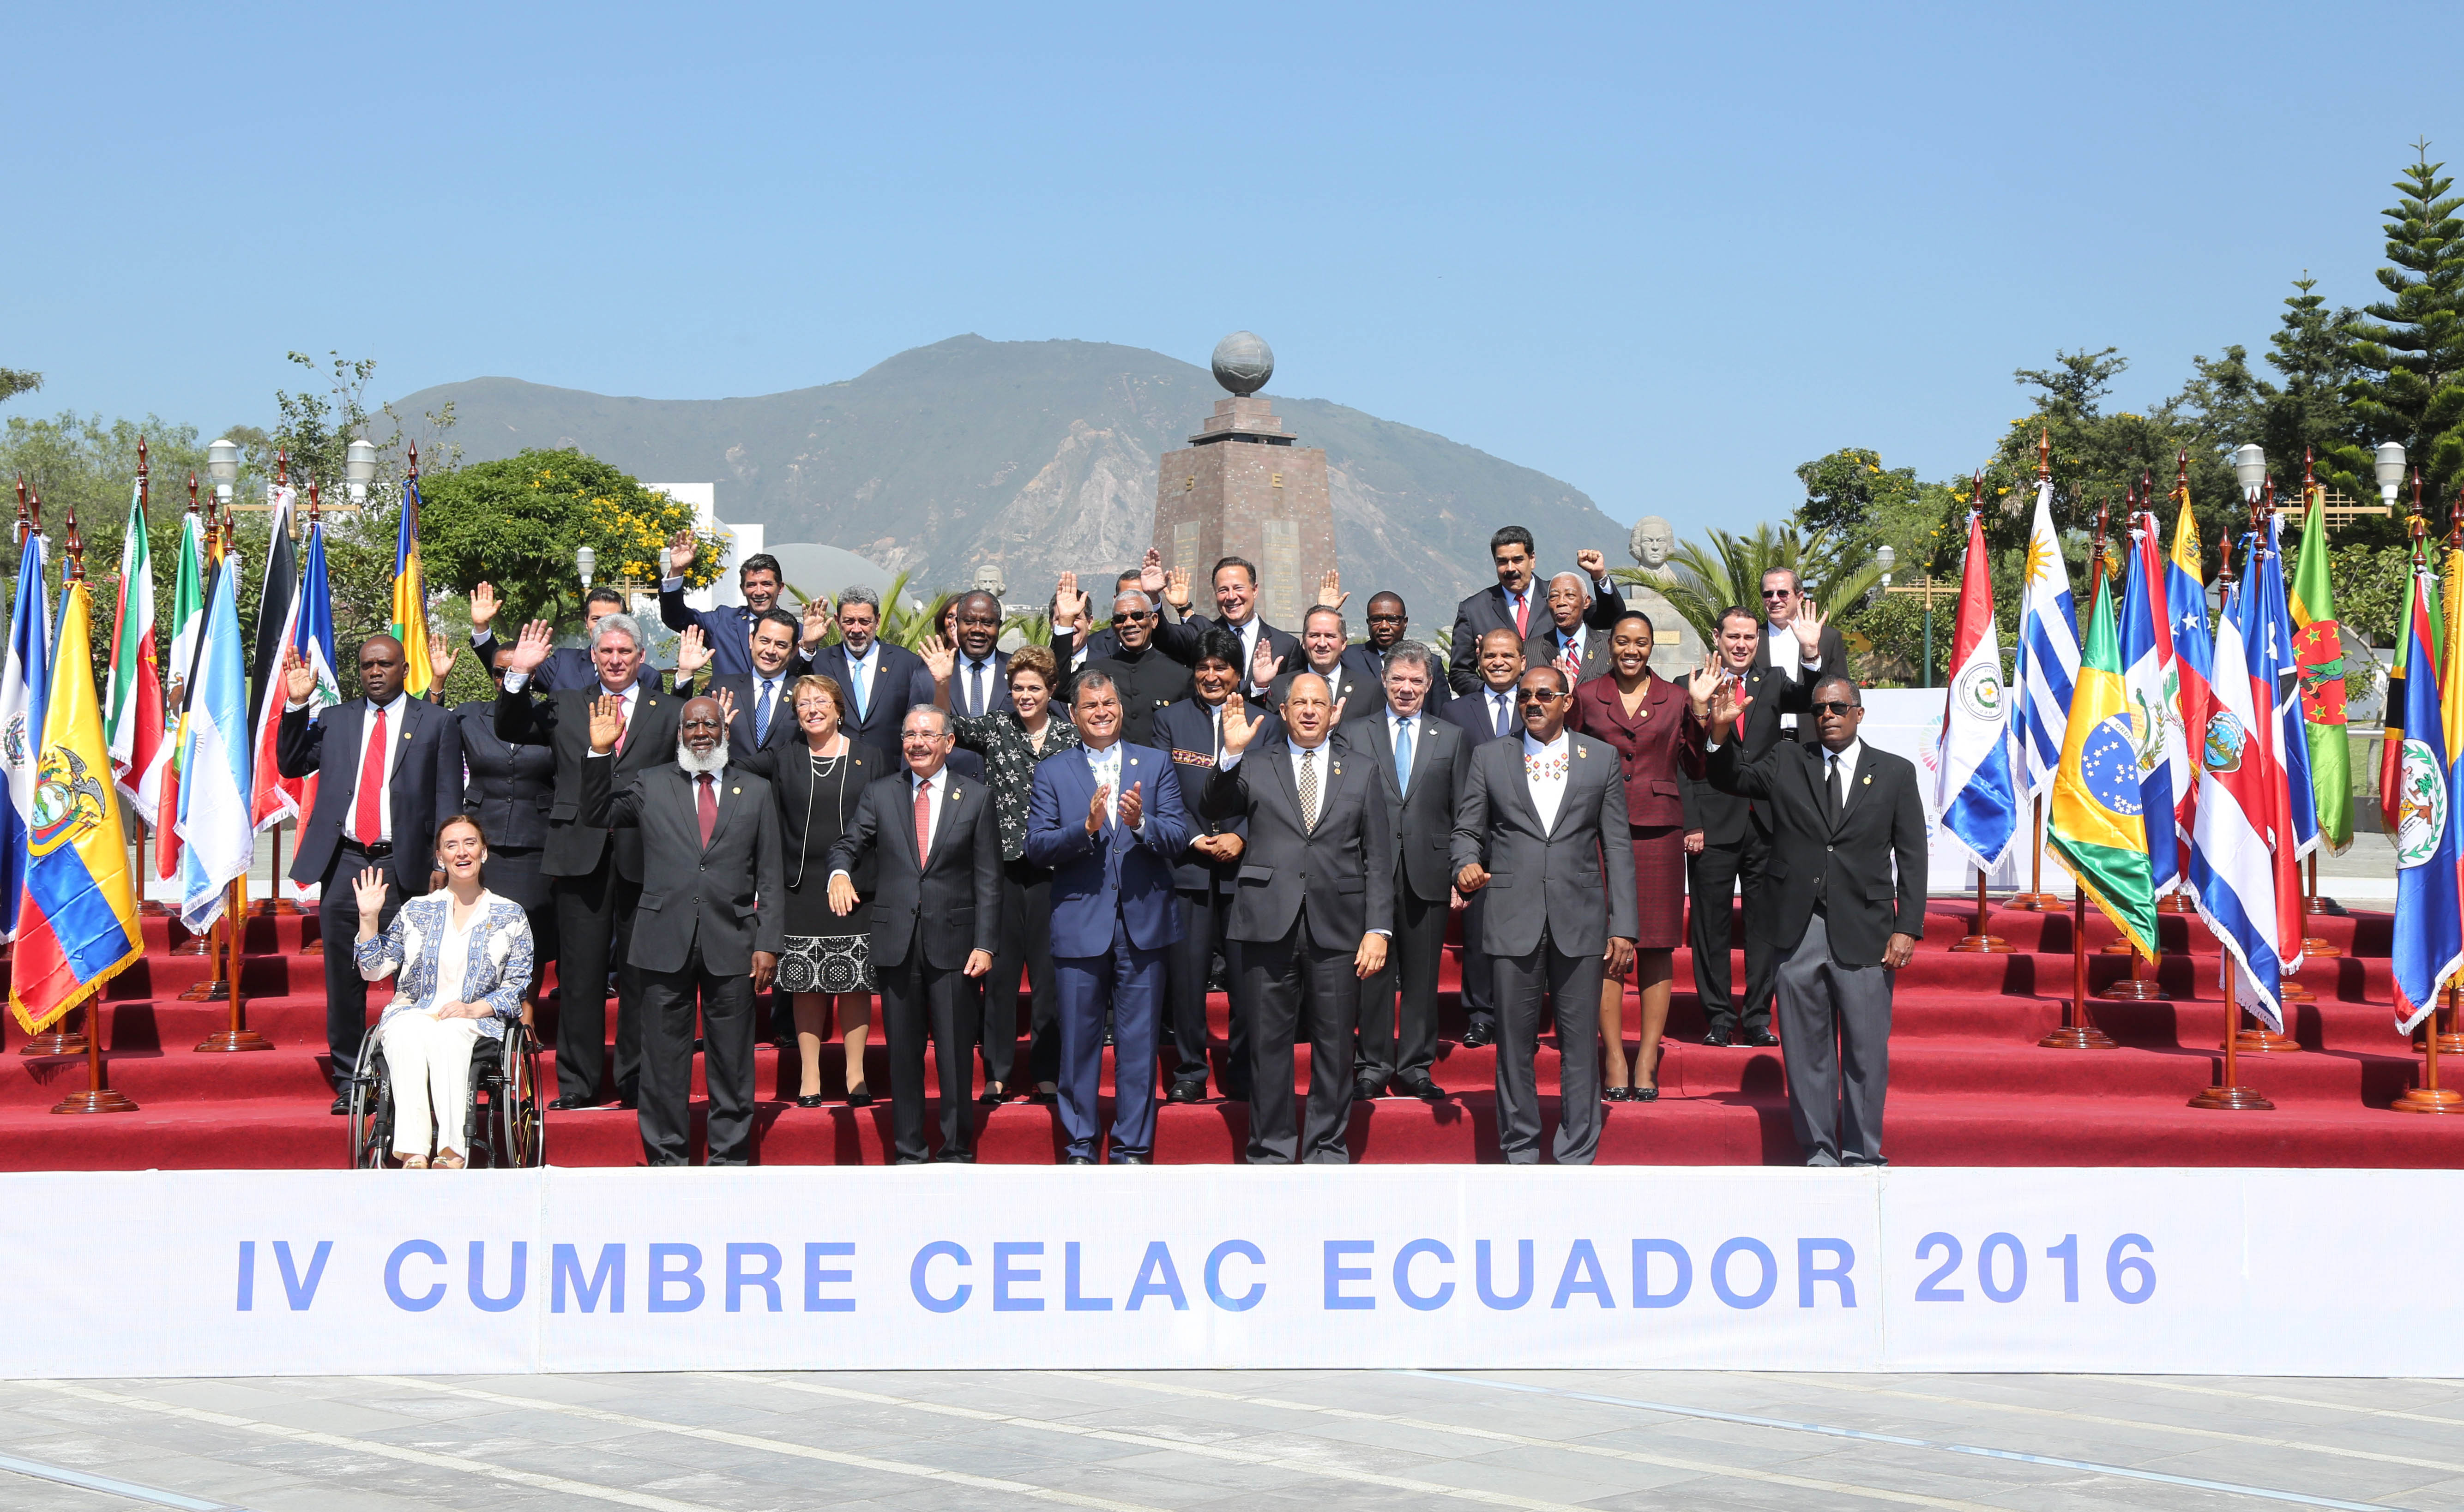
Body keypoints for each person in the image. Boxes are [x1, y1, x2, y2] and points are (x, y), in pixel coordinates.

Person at [1701, 674, 1925, 1167]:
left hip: (1866, 930)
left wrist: (1907, 927)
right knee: (1806, 1054)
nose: (1826, 715)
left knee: (1866, 1053)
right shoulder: (1787, 760)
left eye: (1838, 708)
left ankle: (1863, 1153)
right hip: (1797, 929)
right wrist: (1718, 736)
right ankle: (1820, 1152)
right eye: (1820, 708)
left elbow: (1912, 855)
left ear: (1859, 714)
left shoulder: (1894, 772)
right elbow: (1731, 778)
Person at [580, 693, 783, 1166]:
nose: (700, 734)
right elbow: (596, 815)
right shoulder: (650, 784)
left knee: (732, 1060)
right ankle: (667, 1159)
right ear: (679, 735)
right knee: (663, 1061)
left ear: (725, 733)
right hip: (661, 942)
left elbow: (770, 874)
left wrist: (769, 942)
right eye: (691, 726)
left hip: (733, 941)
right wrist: (598, 755)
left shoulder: (754, 790)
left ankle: (730, 1158)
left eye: (710, 725)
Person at [495, 613, 686, 1110]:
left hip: (647, 855)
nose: (616, 661)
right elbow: (510, 725)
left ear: (642, 659)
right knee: (579, 977)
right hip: (578, 852)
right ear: (594, 657)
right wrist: (519, 674)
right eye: (607, 652)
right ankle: (579, 1084)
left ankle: (635, 1081)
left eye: (626, 653)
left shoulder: (668, 711)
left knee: (640, 975)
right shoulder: (564, 704)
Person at [1451, 665, 1638, 1165]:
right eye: (1525, 696)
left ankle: (1577, 1149)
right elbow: (1467, 828)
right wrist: (1465, 861)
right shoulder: (1491, 757)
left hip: (1580, 919)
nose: (1533, 703)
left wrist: (1624, 925)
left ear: (1566, 700)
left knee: (1580, 1043)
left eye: (1544, 695)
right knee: (1514, 1044)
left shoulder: (1599, 759)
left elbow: (1617, 845)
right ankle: (1519, 1149)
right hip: (1513, 917)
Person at [1204, 676, 1391, 1164]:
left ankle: (1327, 1148)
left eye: (1319, 704)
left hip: (1340, 926)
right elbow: (1215, 806)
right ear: (1284, 712)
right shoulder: (1256, 762)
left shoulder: (1364, 770)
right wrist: (1229, 755)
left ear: (1335, 713)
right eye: (1300, 703)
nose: (1309, 711)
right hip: (1267, 922)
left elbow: (1378, 855)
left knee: (1334, 1046)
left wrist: (1378, 928)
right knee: (1268, 1046)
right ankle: (1271, 1149)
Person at [276, 636, 465, 1114]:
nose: (375, 672)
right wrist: (297, 705)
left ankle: (410, 1078)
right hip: (345, 862)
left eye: (385, 664)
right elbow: (292, 763)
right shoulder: (336, 719)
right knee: (345, 977)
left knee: (414, 974)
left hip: (406, 864)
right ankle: (350, 1081)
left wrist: (443, 863)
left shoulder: (437, 722)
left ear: (405, 668)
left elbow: (448, 797)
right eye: (367, 666)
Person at [1023, 671, 1191, 1164]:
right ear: (1073, 715)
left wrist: (1141, 824)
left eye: (1109, 703)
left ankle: (1132, 1147)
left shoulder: (1156, 763)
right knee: (1078, 1043)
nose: (1101, 711)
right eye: (1091, 705)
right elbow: (1036, 846)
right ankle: (1079, 1145)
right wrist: (1086, 828)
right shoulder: (1053, 771)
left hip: (1144, 926)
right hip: (1081, 926)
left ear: (1121, 708)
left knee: (1138, 1046)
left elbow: (1179, 836)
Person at [825, 705, 1001, 1163]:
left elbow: (988, 878)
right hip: (897, 943)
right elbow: (848, 844)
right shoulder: (881, 793)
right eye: (909, 735)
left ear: (949, 742)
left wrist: (985, 942)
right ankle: (908, 1150)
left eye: (928, 734)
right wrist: (840, 873)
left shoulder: (977, 797)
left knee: (956, 1055)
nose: (917, 743)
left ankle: (958, 1147)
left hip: (956, 945)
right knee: (903, 1056)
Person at [919, 639, 1084, 1103]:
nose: (1025, 695)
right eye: (1017, 688)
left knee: (1049, 980)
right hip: (1004, 870)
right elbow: (947, 727)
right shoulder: (997, 729)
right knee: (1002, 977)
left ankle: (1047, 1071)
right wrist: (942, 682)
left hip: (1057, 871)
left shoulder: (1071, 737)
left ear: (1052, 689)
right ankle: (998, 1071)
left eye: (1034, 687)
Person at [1566, 612, 1705, 1101]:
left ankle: (1647, 1058)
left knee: (1657, 946)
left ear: (1651, 647)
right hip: (1598, 833)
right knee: (1608, 946)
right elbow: (1571, 758)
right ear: (1611, 647)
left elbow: (1697, 763)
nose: (1631, 649)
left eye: (1641, 642)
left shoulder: (1678, 698)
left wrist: (1709, 719)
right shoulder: (1585, 697)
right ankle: (1613, 1057)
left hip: (1659, 832)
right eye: (1623, 641)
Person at [350, 816, 534, 1168]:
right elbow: (374, 970)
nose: (461, 853)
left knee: (449, 1034)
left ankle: (452, 1151)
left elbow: (517, 985)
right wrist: (369, 919)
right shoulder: (416, 910)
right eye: (452, 845)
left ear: (484, 853)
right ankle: (413, 1151)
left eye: (470, 843)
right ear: (440, 857)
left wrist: (477, 1008)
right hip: (415, 1012)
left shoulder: (510, 915)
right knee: (405, 1032)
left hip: (475, 1021)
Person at [750, 674, 891, 1107]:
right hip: (799, 886)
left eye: (820, 701)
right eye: (802, 704)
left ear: (838, 708)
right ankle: (809, 1075)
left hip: (855, 885)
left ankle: (855, 1074)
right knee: (805, 984)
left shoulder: (871, 758)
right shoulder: (783, 758)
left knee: (853, 983)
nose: (811, 709)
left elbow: (885, 825)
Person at [1347, 641, 1467, 1101]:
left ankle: (1416, 1065)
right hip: (1368, 873)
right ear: (1384, 680)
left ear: (1430, 685)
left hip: (1429, 873)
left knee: (1422, 976)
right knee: (1373, 974)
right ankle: (1373, 1065)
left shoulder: (1450, 737)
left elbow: (1464, 811)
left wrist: (1460, 869)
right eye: (1399, 679)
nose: (1407, 688)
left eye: (1417, 681)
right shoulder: (1355, 735)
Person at [1151, 630, 1262, 1104]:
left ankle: (1241, 1069)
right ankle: (1191, 1069)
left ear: (1238, 673)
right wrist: (1196, 837)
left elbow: (1271, 794)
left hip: (1245, 871)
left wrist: (1242, 836)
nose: (1211, 676)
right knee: (1188, 978)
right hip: (1187, 867)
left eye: (1222, 667)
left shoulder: (1266, 723)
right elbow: (1162, 789)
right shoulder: (1170, 721)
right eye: (1203, 668)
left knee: (1244, 980)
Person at [1683, 605, 1782, 1047]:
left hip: (1766, 822)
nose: (1741, 645)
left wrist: (1815, 654)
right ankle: (1719, 1018)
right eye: (1733, 637)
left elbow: (1822, 690)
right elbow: (1682, 762)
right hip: (1711, 823)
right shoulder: (1693, 687)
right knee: (1710, 927)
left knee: (1765, 925)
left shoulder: (1774, 683)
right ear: (1716, 638)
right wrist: (1690, 821)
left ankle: (1758, 1015)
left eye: (1749, 638)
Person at [448, 640, 559, 1022]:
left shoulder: (552, 718)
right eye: (500, 671)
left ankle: (526, 1013)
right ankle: (479, 1011)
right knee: (481, 927)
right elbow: (426, 741)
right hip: (481, 842)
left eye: (518, 670)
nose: (508, 678)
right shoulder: (467, 717)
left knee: (531, 930)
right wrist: (436, 684)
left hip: (536, 840)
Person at [1438, 625, 1527, 1049]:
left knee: (1525, 939)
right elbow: (1446, 782)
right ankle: (1480, 1016)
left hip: (1526, 844)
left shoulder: (1537, 706)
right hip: (1476, 845)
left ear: (1522, 661)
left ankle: (1520, 1020)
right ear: (1479, 660)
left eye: (1507, 655)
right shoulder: (1456, 712)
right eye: (1490, 655)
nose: (1498, 662)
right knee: (1476, 938)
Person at [1447, 527, 1619, 694]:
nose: (1510, 568)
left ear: (1533, 559)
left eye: (1518, 560)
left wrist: (1599, 576)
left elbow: (1611, 618)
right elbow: (1460, 674)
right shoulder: (1473, 610)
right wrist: (1499, 693)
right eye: (1502, 562)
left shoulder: (1560, 598)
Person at [802, 585, 932, 754]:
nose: (857, 630)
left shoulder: (907, 663)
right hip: (836, 770)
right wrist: (807, 646)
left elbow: (921, 720)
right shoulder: (820, 662)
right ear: (837, 621)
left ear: (878, 621)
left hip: (890, 773)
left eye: (865, 622)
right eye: (849, 621)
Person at [1060, 587, 1193, 748]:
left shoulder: (1181, 676)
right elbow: (1059, 688)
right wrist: (1066, 622)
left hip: (1159, 771)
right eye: (1120, 619)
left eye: (1137, 616)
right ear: (1113, 625)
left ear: (1154, 620)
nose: (1129, 623)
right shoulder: (1092, 670)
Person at [466, 583, 658, 693]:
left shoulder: (648, 676)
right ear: (586, 623)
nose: (603, 626)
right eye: (596, 619)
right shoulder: (562, 664)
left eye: (611, 619)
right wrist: (482, 628)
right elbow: (509, 669)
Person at [658, 531, 800, 680]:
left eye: (766, 584)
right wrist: (677, 572)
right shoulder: (722, 621)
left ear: (780, 588)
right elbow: (676, 617)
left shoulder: (798, 632)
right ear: (743, 588)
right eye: (752, 585)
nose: (759, 592)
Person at [1754, 568, 1850, 743]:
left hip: (1813, 742)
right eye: (1768, 594)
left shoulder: (1827, 639)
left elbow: (1842, 694)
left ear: (1799, 597)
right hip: (1763, 747)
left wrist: (1812, 650)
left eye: (1783, 593)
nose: (1775, 600)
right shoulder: (1750, 640)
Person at [1262, 605, 1379, 723]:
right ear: (1304, 642)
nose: (1322, 643)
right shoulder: (1279, 687)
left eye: (1330, 636)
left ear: (1343, 643)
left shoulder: (1369, 690)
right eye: (1315, 636)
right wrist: (1260, 685)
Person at [1359, 591, 1449, 712]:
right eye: (1376, 619)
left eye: (1392, 619)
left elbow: (1442, 712)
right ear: (1368, 623)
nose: (1384, 626)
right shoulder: (1348, 657)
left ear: (1405, 623)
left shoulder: (1431, 663)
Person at [1525, 571, 1618, 685]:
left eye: (1570, 595)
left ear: (1586, 602)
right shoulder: (1530, 650)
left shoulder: (1609, 647)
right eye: (1554, 597)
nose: (1561, 602)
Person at [941, 591, 1012, 718]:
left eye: (987, 623)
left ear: (999, 626)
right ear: (957, 623)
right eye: (969, 621)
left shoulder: (1019, 670)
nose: (977, 630)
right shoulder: (929, 676)